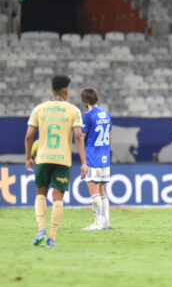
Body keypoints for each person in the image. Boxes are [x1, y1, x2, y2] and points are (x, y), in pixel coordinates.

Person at [25, 75, 88, 247]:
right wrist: (83, 162)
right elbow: (77, 136)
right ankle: (51, 237)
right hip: (62, 159)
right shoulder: (73, 110)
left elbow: (29, 135)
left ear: (52, 91)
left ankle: (40, 229)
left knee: (40, 194)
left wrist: (28, 158)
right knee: (57, 198)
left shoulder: (39, 109)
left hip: (43, 158)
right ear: (66, 91)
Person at [81, 88, 112, 230]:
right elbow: (110, 135)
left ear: (85, 101)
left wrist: (83, 159)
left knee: (93, 189)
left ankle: (98, 223)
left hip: (92, 157)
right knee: (102, 190)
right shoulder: (106, 113)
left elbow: (80, 138)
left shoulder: (87, 116)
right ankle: (106, 222)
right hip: (105, 157)